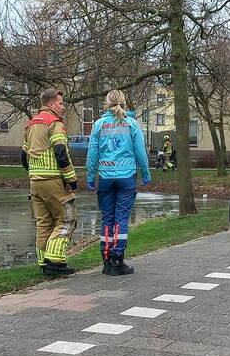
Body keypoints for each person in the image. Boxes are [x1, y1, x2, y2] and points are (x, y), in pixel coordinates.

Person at [86, 89, 152, 276]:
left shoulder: (99, 125)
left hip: (106, 177)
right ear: (124, 103)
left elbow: (92, 154)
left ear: (106, 104)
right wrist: (146, 173)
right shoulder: (131, 124)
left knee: (107, 219)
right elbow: (140, 151)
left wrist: (90, 177)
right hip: (126, 177)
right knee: (121, 219)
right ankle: (118, 259)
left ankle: (106, 260)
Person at [22, 88, 79, 276]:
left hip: (35, 182)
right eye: (61, 103)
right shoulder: (55, 123)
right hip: (53, 180)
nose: (63, 107)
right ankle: (55, 262)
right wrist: (71, 179)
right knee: (67, 218)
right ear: (50, 103)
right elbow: (61, 153)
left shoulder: (30, 124)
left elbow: (23, 156)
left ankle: (43, 263)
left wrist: (34, 173)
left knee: (44, 223)